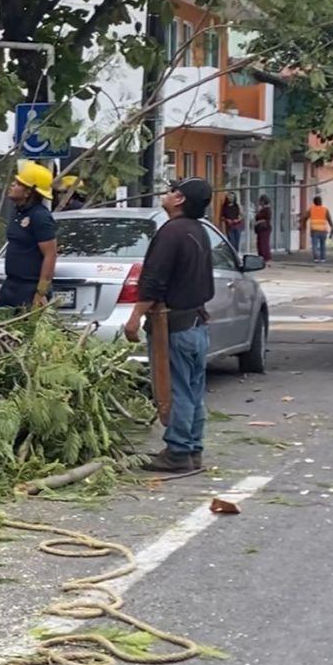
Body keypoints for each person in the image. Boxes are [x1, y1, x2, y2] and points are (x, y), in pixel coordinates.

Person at [123, 178, 216, 473]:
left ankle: (177, 452)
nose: (166, 193)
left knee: (174, 389)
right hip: (196, 323)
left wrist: (135, 316)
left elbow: (153, 281)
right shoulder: (199, 232)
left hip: (173, 325)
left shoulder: (172, 232)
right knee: (192, 389)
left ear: (179, 200)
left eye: (172, 190)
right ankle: (193, 448)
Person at [0, 161, 59, 310]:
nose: (12, 185)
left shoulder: (40, 216)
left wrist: (40, 292)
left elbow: (50, 255)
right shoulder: (18, 212)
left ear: (28, 192)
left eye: (18, 184)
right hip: (11, 286)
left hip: (30, 289)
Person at [300, 195, 333, 263]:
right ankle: (323, 258)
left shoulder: (311, 209)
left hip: (314, 230)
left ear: (314, 202)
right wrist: (332, 228)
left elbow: (304, 218)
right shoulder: (325, 209)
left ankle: (316, 258)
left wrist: (304, 226)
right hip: (323, 230)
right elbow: (329, 219)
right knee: (323, 245)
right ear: (321, 202)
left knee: (314, 245)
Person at [254, 194, 274, 264]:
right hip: (260, 229)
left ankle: (266, 258)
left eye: (260, 201)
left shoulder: (267, 210)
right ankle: (261, 257)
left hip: (265, 229)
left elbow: (267, 219)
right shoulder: (261, 209)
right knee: (259, 243)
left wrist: (258, 222)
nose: (259, 203)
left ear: (263, 201)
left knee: (264, 243)